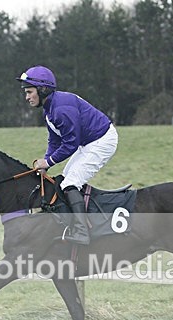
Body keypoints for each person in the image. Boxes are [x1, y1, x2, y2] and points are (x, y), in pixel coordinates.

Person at [17, 65, 118, 245]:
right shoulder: (49, 108)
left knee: (71, 183)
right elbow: (55, 141)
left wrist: (48, 161)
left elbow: (70, 144)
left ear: (43, 89)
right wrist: (46, 163)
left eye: (29, 92)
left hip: (102, 141)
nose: (27, 97)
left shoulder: (60, 110)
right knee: (64, 181)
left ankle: (82, 231)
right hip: (88, 142)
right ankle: (73, 224)